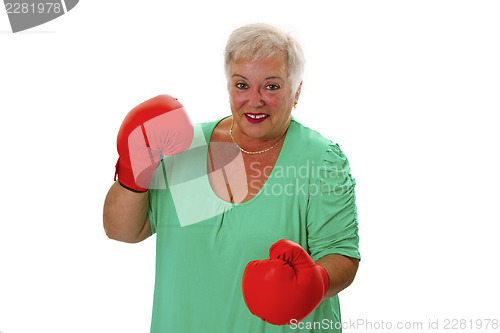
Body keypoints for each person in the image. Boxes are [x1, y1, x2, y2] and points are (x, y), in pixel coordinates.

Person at [103, 23, 360, 333]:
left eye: (272, 86)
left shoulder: (319, 160)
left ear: (297, 91)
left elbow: (342, 254)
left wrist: (315, 283)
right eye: (242, 85)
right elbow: (124, 230)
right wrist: (134, 167)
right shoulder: (187, 148)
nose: (255, 100)